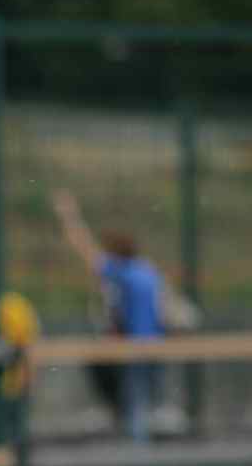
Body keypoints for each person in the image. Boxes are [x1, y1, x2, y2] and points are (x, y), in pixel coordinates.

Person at [52, 190, 170, 443]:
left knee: (134, 403)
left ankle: (136, 452)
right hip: (154, 343)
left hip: (136, 346)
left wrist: (69, 215)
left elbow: (86, 251)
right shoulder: (147, 270)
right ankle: (136, 442)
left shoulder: (124, 273)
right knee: (140, 400)